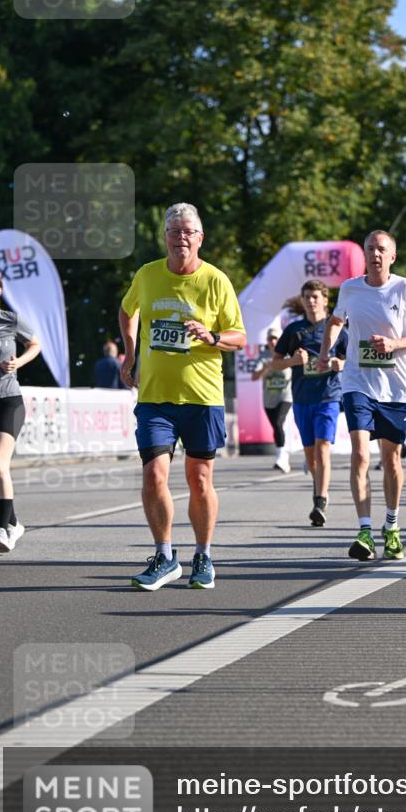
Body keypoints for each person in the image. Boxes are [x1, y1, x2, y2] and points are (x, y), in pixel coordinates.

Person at [118, 202, 246, 590]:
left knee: (200, 478)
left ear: (200, 238)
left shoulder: (216, 281)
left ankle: (203, 555)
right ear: (165, 238)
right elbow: (128, 312)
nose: (181, 237)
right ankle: (164, 554)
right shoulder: (148, 274)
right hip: (156, 396)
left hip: (202, 397)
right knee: (154, 473)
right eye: (174, 231)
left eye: (188, 231)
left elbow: (239, 336)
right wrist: (130, 352)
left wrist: (212, 337)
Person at [317, 230, 406, 561]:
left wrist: (396, 344)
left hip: (395, 386)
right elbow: (336, 320)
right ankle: (364, 530)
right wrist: (326, 352)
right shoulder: (350, 288)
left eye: (382, 250)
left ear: (392, 257)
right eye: (370, 249)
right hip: (358, 382)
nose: (376, 254)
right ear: (364, 254)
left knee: (391, 458)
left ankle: (392, 526)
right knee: (360, 455)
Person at [269, 280, 347, 526]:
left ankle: (319, 500)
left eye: (315, 297)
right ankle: (320, 486)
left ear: (325, 300)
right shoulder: (294, 330)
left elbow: (352, 360)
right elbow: (274, 363)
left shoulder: (337, 328)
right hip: (303, 399)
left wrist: (340, 364)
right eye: (307, 297)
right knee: (311, 456)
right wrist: (293, 361)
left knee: (323, 445)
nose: (311, 301)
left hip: (329, 396)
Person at [0, 267, 41, 552]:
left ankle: (3, 530)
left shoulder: (9, 320)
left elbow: (35, 343)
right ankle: (14, 522)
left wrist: (18, 362)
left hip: (7, 400)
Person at [251, 329, 292, 473]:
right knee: (276, 427)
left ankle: (281, 457)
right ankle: (283, 454)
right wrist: (266, 369)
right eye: (270, 339)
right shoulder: (263, 356)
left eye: (276, 338)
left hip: (285, 396)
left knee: (278, 423)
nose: (273, 342)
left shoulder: (287, 353)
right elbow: (254, 377)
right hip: (269, 399)